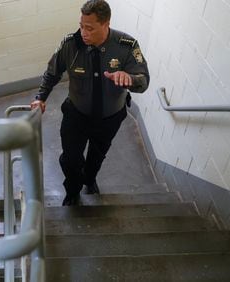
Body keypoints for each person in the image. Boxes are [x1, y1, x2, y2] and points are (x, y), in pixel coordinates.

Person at [30, 0, 150, 206]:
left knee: (97, 155)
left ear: (106, 24)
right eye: (81, 26)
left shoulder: (126, 46)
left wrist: (130, 79)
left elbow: (143, 80)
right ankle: (73, 190)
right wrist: (40, 98)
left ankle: (90, 179)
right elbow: (52, 73)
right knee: (70, 159)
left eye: (90, 28)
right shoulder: (71, 44)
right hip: (76, 115)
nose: (83, 32)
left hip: (110, 118)